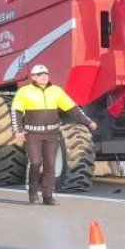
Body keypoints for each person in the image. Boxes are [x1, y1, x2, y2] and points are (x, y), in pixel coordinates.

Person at [11, 64, 97, 205]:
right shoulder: (24, 92)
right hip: (33, 134)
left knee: (50, 164)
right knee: (35, 162)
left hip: (51, 133)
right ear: (33, 77)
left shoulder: (56, 91)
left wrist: (88, 122)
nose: (44, 76)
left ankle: (48, 196)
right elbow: (16, 112)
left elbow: (73, 109)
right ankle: (32, 192)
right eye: (40, 74)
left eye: (46, 73)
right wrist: (17, 130)